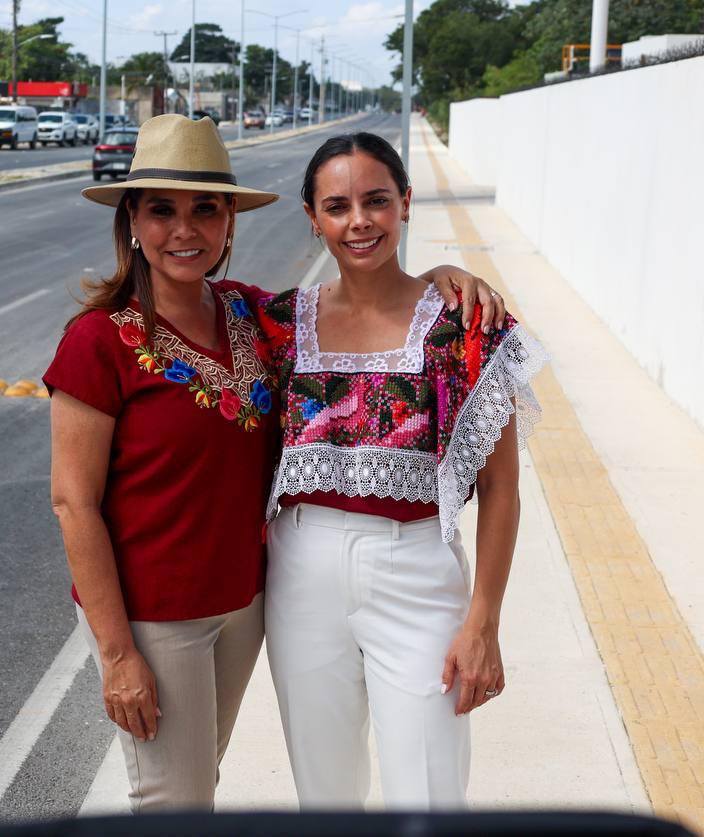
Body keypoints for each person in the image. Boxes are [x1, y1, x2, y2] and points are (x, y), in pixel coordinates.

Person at [44, 114, 506, 813]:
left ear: (231, 221)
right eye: (162, 210)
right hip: (162, 616)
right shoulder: (100, 341)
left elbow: (373, 300)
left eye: (206, 209)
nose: (185, 230)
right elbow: (72, 502)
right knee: (180, 802)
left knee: (412, 789)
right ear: (132, 220)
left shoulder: (255, 318)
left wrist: (442, 276)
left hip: (248, 606)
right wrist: (115, 656)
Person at [256, 132, 547, 810]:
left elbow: (502, 490)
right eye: (338, 206)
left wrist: (483, 623)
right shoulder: (274, 324)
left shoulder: (466, 327)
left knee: (431, 794)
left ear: (405, 203)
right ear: (313, 217)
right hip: (300, 573)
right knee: (322, 799)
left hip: (418, 573)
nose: (359, 220)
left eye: (377, 201)